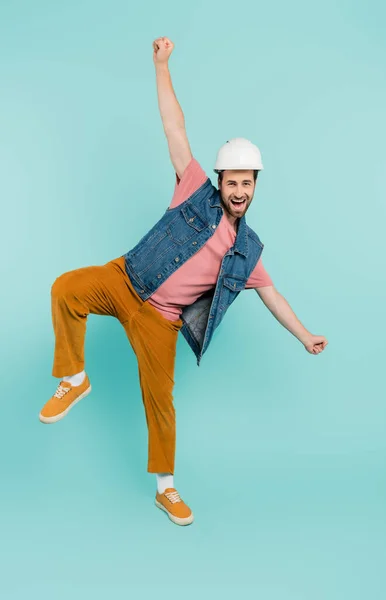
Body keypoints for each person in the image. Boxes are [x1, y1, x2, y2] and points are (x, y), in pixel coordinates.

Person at [39, 36, 328, 527]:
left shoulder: (248, 251)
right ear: (219, 180)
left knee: (161, 402)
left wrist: (305, 336)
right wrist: (162, 65)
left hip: (160, 319)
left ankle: (165, 490)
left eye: (247, 183)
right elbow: (174, 126)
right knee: (65, 288)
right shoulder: (193, 188)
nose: (238, 191)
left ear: (255, 186)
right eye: (231, 181)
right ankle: (74, 378)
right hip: (123, 278)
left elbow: (272, 296)